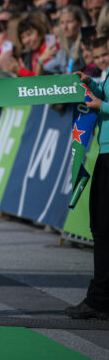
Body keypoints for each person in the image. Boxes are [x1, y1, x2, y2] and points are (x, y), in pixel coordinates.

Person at [69, 37, 109, 319]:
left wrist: (99, 106)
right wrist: (91, 84)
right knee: (101, 226)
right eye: (98, 56)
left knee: (104, 228)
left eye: (106, 54)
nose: (103, 59)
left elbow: (104, 105)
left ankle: (98, 299)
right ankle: (100, 296)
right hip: (104, 153)